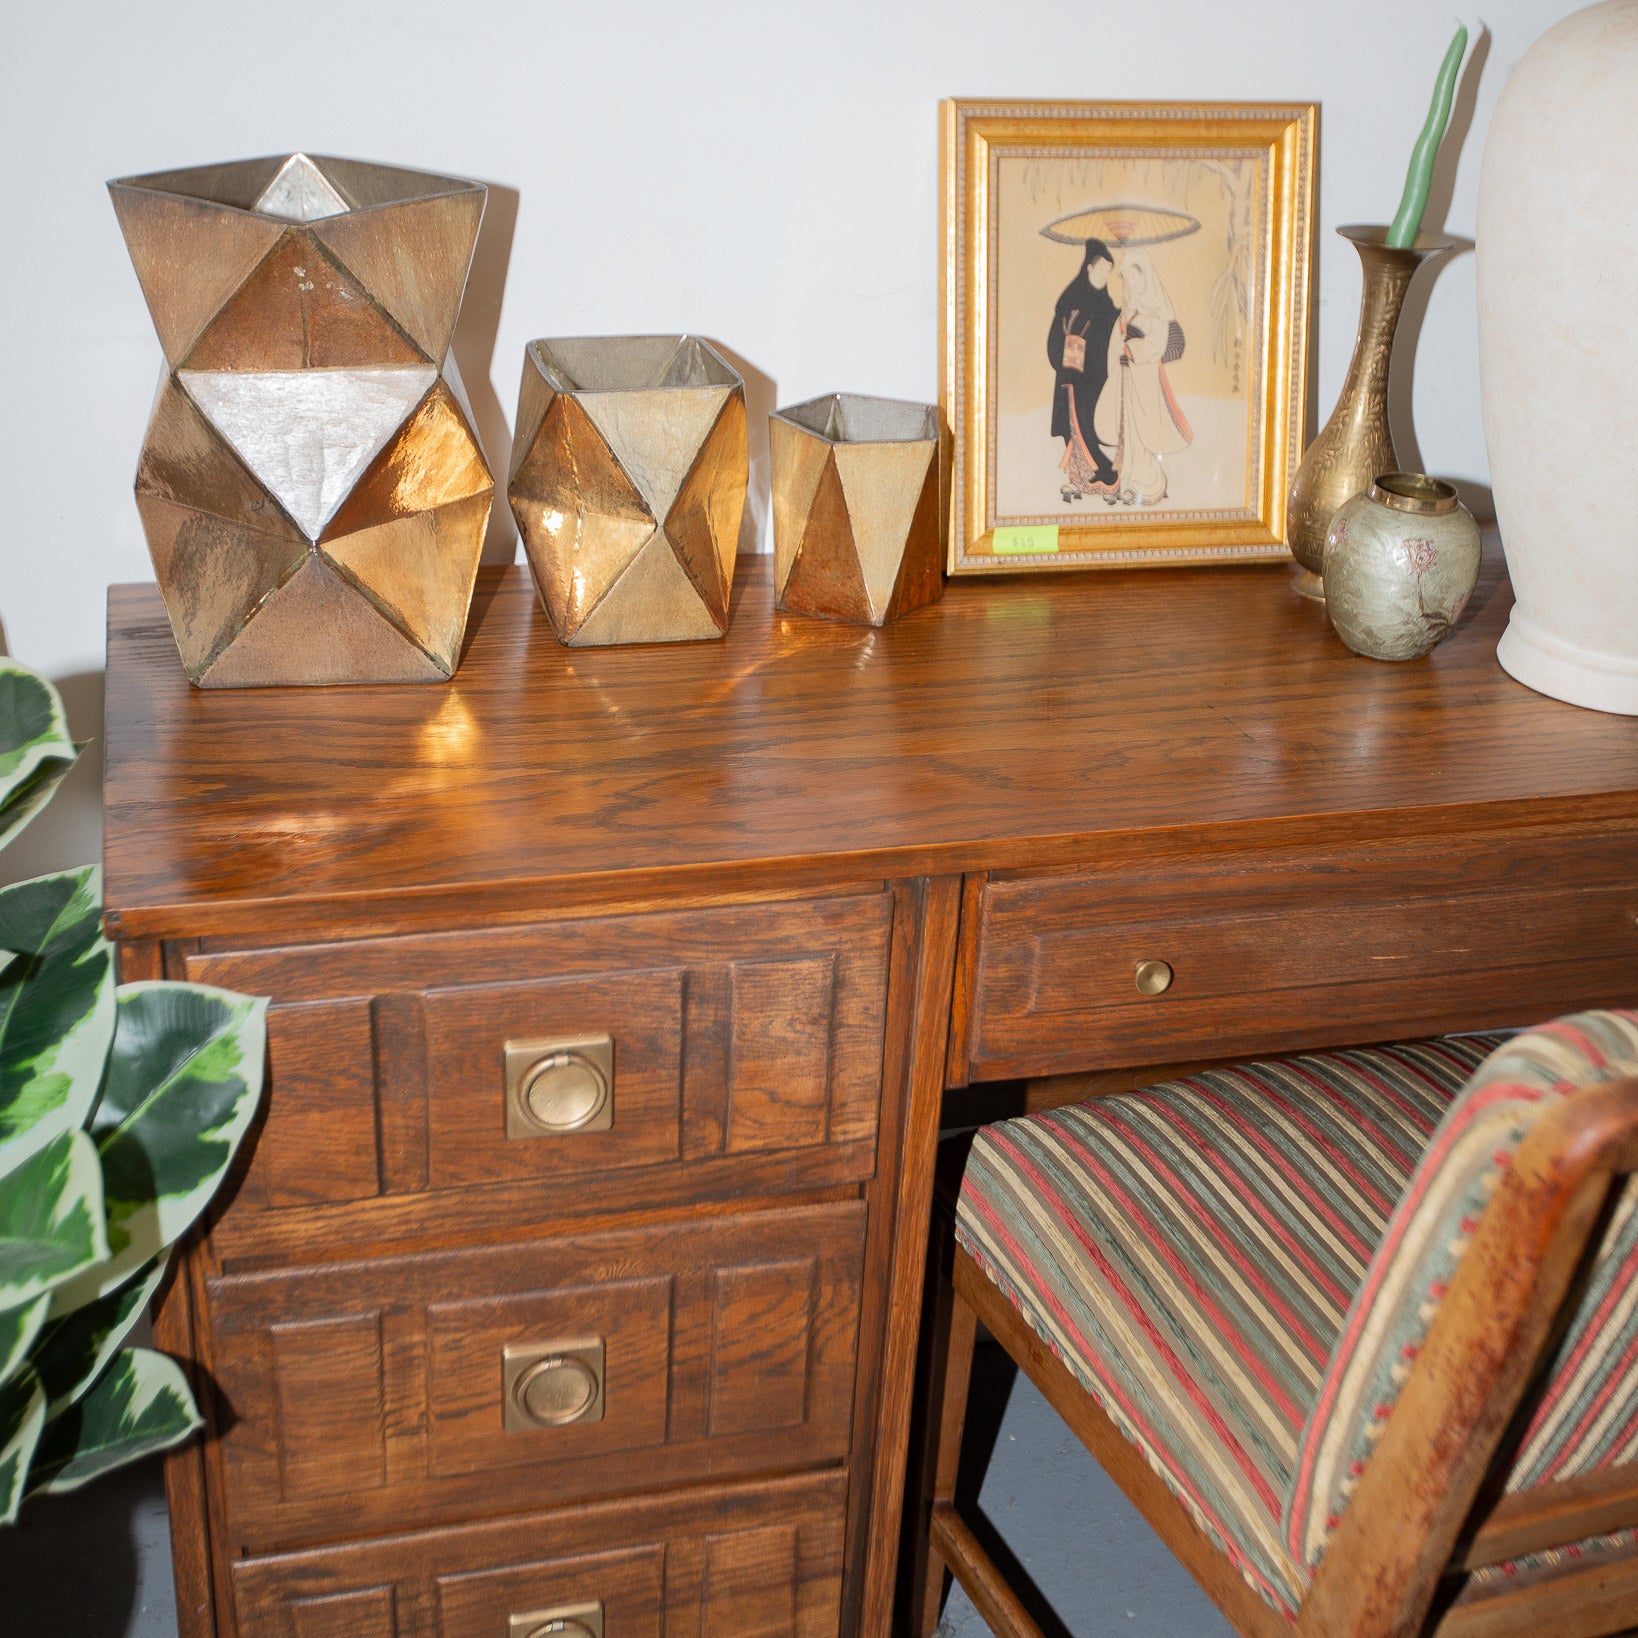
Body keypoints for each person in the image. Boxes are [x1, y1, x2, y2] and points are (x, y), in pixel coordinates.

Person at [1094, 248, 1193, 505]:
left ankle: (1147, 485)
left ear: (1145, 276)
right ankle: (1127, 481)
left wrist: (1132, 349)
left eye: (1133, 276)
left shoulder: (1156, 312)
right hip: (1126, 381)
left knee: (1142, 432)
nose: (1130, 283)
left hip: (1145, 382)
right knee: (1127, 431)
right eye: (1126, 278)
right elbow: (1114, 342)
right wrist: (1120, 348)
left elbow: (1156, 345)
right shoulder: (1128, 312)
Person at [1046, 238, 1119, 501]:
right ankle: (1079, 479)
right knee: (1071, 428)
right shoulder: (1070, 299)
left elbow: (1112, 328)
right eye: (1100, 269)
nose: (1104, 275)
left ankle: (1101, 474)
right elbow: (1055, 336)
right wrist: (1063, 358)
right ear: (1088, 268)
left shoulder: (1105, 303)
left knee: (1086, 427)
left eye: (1108, 271)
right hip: (1069, 376)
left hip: (1092, 378)